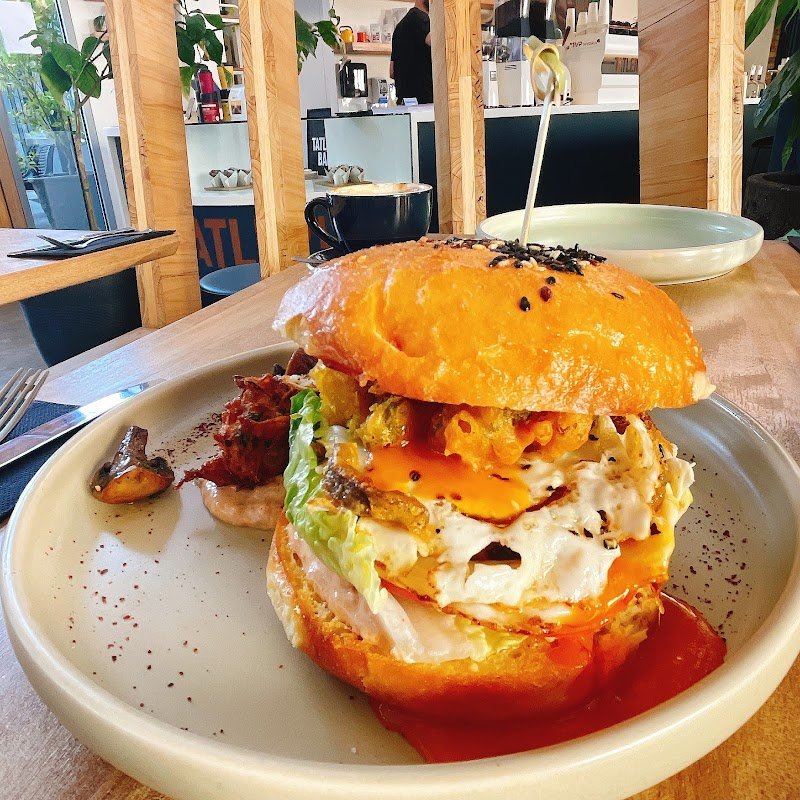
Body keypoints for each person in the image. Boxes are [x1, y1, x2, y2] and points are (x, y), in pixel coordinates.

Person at [389, 0, 433, 104]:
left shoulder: (399, 27)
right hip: (424, 103)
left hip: (405, 104)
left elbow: (392, 72)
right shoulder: (421, 19)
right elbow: (437, 42)